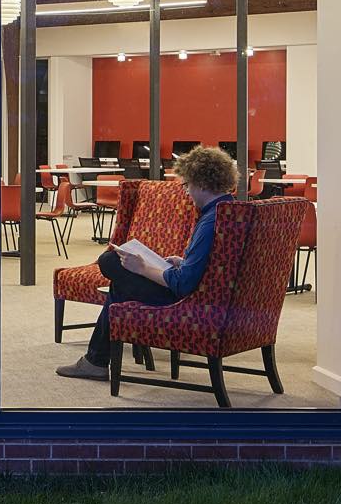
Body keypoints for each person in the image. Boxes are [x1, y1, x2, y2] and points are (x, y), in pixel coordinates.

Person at [57, 143, 238, 381]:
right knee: (118, 278)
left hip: (186, 301)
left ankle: (96, 361)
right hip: (211, 298)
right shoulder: (230, 211)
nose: (186, 192)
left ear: (202, 184)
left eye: (187, 185)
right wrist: (183, 262)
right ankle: (95, 361)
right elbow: (214, 268)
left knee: (110, 261)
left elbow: (182, 285)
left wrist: (144, 267)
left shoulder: (209, 222)